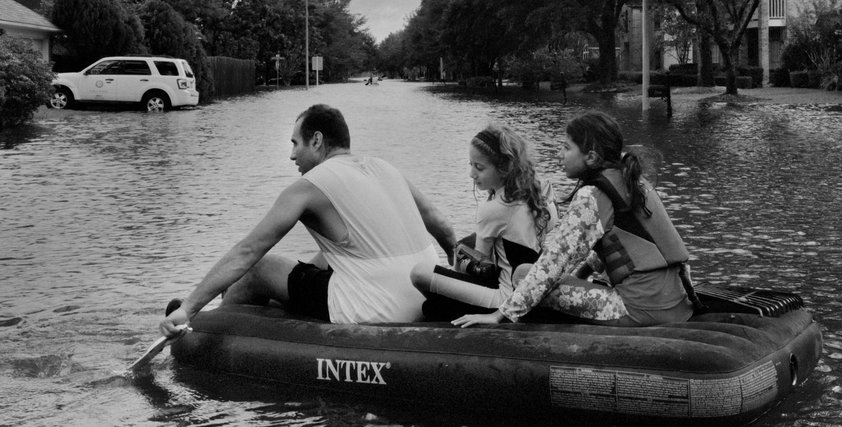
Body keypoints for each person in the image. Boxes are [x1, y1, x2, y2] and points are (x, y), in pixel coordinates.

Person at [160, 104, 456, 336]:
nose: (292, 156)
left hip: (378, 309)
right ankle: (240, 301)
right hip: (425, 298)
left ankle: (204, 326)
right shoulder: (385, 168)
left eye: (295, 144)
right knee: (326, 258)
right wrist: (457, 273)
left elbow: (249, 251)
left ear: (316, 140)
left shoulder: (310, 185)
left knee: (259, 270)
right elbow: (443, 227)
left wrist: (188, 308)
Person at [453, 110, 695, 328]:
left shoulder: (592, 195)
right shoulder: (632, 180)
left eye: (566, 148)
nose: (560, 154)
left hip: (638, 309)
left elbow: (553, 262)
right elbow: (618, 249)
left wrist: (501, 314)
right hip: (676, 302)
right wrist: (578, 277)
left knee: (522, 274)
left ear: (591, 157)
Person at [410, 125, 556, 317]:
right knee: (466, 245)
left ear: (504, 168)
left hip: (504, 299)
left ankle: (443, 308)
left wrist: (458, 260)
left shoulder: (494, 208)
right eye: (470, 164)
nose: (472, 174)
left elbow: (482, 269)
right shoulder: (539, 196)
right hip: (531, 292)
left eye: (479, 167)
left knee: (420, 273)